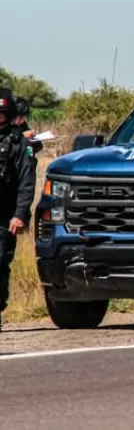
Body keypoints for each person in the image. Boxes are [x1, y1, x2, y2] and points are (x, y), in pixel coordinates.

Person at [0, 88, 37, 332]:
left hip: (5, 215)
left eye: (2, 114)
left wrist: (20, 214)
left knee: (0, 264)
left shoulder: (20, 143)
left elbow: (26, 180)